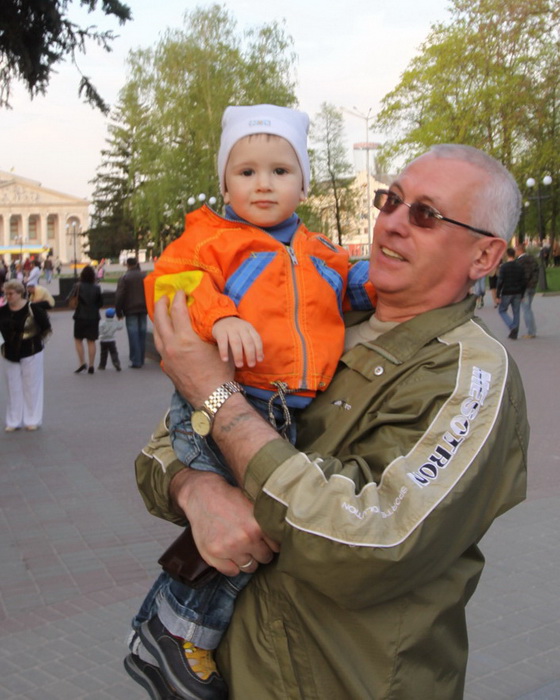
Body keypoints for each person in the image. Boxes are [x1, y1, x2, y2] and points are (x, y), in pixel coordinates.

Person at [130, 144, 529, 700]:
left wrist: (219, 401)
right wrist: (197, 490)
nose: (392, 223)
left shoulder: (468, 372)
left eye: (425, 214)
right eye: (391, 200)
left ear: (485, 256)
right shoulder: (313, 313)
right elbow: (161, 449)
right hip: (240, 673)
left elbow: (370, 545)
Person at [128, 104, 375, 699]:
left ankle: (170, 629)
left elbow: (350, 284)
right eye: (246, 172)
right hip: (227, 402)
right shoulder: (210, 240)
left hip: (281, 410)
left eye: (280, 171)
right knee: (255, 519)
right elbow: (173, 282)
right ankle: (179, 629)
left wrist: (383, 280)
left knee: (257, 521)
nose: (263, 184)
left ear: (303, 185)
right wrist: (222, 316)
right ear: (225, 184)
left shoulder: (319, 250)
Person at [0, 280, 51, 431]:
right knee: (12, 387)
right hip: (9, 352)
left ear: (19, 293)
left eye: (11, 293)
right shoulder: (2, 311)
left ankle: (32, 420)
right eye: (6, 293)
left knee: (32, 386)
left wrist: (38, 345)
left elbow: (46, 328)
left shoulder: (33, 309)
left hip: (31, 351)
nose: (8, 296)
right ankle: (13, 421)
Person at [67, 265, 103, 374]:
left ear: (82, 275)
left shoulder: (77, 286)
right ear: (93, 276)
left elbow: (68, 299)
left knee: (78, 340)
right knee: (91, 341)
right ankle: (91, 365)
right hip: (93, 317)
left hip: (80, 317)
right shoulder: (97, 287)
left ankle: (82, 362)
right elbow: (101, 303)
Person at [115, 257, 148, 368]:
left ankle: (136, 360)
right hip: (143, 309)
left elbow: (119, 296)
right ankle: (141, 358)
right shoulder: (145, 276)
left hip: (130, 309)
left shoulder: (124, 278)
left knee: (133, 334)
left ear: (127, 265)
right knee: (142, 333)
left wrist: (118, 311)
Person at [497, 247, 525, 339]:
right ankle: (515, 332)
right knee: (516, 312)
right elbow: (523, 281)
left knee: (502, 310)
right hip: (517, 292)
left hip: (507, 292)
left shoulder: (503, 267)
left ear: (507, 255)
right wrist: (522, 294)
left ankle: (512, 326)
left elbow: (500, 281)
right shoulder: (519, 266)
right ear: (514, 255)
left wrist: (498, 294)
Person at [515, 242, 539, 338]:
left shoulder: (519, 262)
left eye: (516, 250)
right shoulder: (532, 259)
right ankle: (532, 330)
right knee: (528, 308)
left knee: (526, 309)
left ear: (519, 251)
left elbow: (521, 277)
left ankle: (531, 332)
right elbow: (536, 271)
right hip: (532, 287)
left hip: (524, 289)